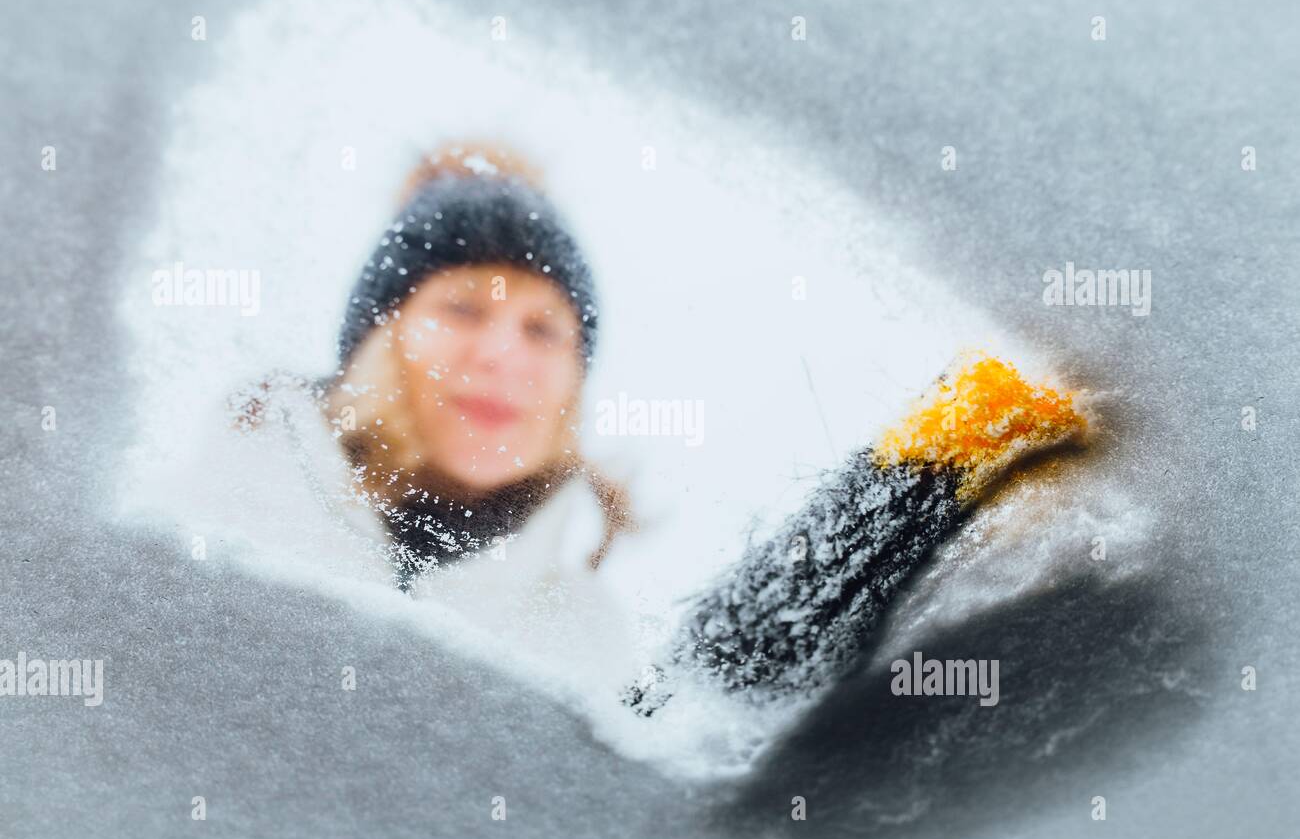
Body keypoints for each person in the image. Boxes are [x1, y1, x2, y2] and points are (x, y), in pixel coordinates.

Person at [226, 141, 1088, 716]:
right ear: (376, 337)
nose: (503, 355)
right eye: (459, 307)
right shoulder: (216, 484)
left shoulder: (581, 630)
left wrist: (916, 475)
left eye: (544, 329)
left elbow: (681, 766)